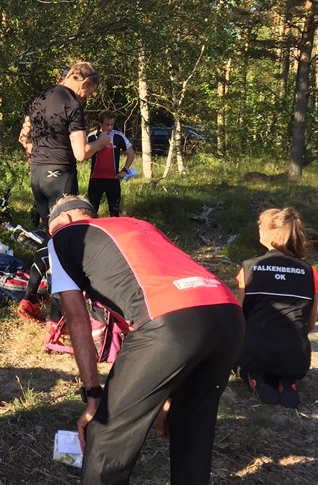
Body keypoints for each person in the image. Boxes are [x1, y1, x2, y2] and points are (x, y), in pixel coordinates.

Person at [47, 195, 243, 485]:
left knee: (107, 432)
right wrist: (164, 393)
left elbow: (77, 319)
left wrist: (92, 396)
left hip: (170, 319)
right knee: (192, 428)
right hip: (228, 314)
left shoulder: (62, 237)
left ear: (64, 220)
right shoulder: (136, 225)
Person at [16, 62, 106, 323]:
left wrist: (36, 154)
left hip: (38, 175)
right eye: (89, 91)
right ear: (84, 82)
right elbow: (81, 153)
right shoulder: (72, 105)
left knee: (50, 237)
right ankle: (55, 317)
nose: (86, 96)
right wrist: (100, 142)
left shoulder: (40, 97)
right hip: (61, 176)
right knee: (63, 243)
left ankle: (31, 299)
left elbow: (23, 137)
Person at [235, 207, 318, 409]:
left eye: (260, 226)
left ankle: (256, 378)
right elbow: (310, 324)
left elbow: (238, 318)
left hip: (254, 352)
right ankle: (288, 382)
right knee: (286, 357)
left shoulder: (249, 268)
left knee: (240, 358)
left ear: (268, 233)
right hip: (296, 358)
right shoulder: (310, 272)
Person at [86, 110, 135, 217]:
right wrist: (97, 147)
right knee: (92, 212)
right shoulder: (92, 136)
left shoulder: (118, 136)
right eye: (107, 124)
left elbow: (131, 154)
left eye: (112, 124)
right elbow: (83, 155)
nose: (110, 127)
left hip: (113, 180)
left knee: (114, 212)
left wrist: (124, 170)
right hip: (95, 180)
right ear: (100, 123)